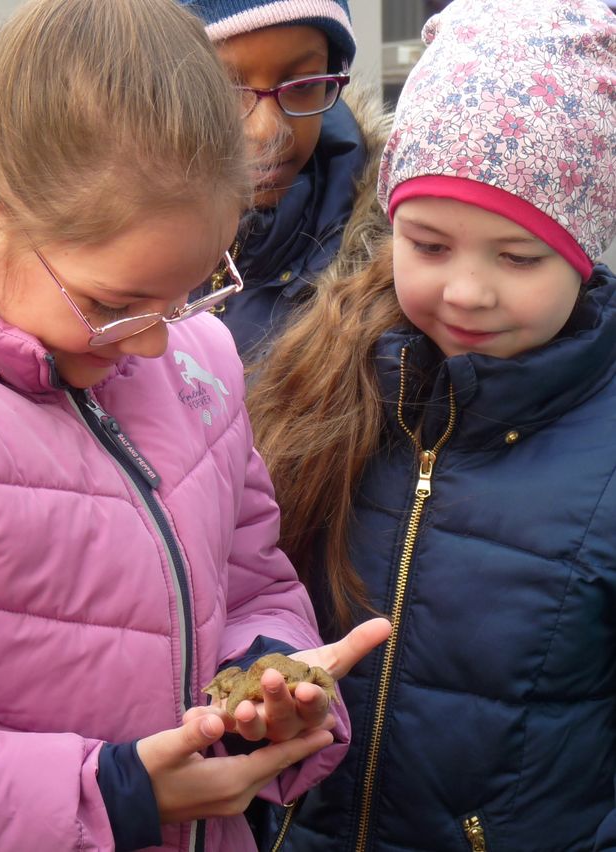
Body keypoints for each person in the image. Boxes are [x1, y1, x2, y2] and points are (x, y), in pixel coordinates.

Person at [0, 1, 393, 850]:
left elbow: (245, 579)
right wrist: (114, 793)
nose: (156, 340)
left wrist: (261, 687)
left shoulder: (192, 357)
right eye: (112, 304)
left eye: (191, 289)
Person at [247, 0, 616, 848]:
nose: (467, 291)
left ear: (586, 248)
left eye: (518, 256)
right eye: (429, 244)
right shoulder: (319, 380)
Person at [178, 0, 392, 360]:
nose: (267, 130)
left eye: (302, 86)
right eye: (225, 90)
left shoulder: (385, 277)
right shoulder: (80, 259)